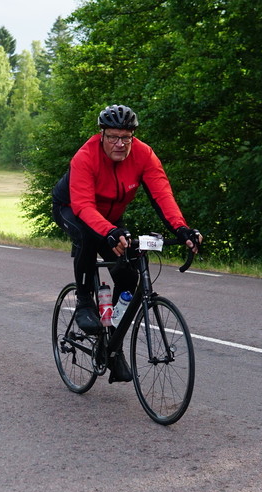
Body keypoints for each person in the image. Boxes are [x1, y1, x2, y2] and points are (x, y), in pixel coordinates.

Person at [52, 104, 202, 382]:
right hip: (70, 208)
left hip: (108, 217)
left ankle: (113, 347)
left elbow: (162, 195)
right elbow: (84, 206)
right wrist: (108, 231)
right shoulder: (85, 157)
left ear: (133, 136)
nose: (120, 144)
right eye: (113, 137)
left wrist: (182, 229)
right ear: (101, 135)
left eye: (126, 137)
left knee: (128, 274)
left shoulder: (144, 155)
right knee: (86, 235)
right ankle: (85, 302)